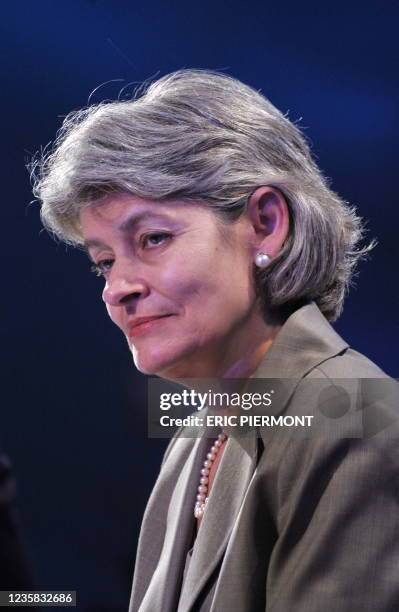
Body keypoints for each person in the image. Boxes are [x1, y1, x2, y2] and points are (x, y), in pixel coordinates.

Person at [30, 70, 399, 611]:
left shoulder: (355, 421)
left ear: (266, 225)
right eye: (104, 262)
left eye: (153, 239)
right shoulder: (200, 432)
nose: (118, 289)